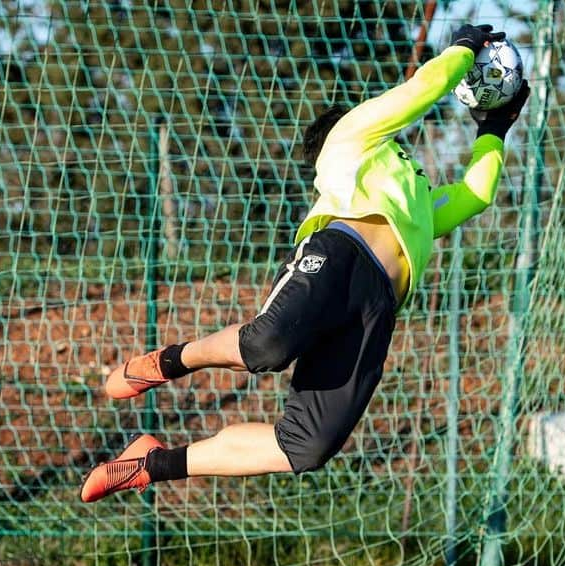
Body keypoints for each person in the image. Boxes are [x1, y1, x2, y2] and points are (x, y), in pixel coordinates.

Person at [81, 24, 530, 502]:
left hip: (377, 304)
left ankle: (150, 462)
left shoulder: (417, 198)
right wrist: (462, 48)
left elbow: (476, 195)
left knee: (306, 446)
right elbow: (426, 88)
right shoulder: (351, 137)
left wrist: (494, 130)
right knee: (269, 345)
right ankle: (170, 361)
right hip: (338, 254)